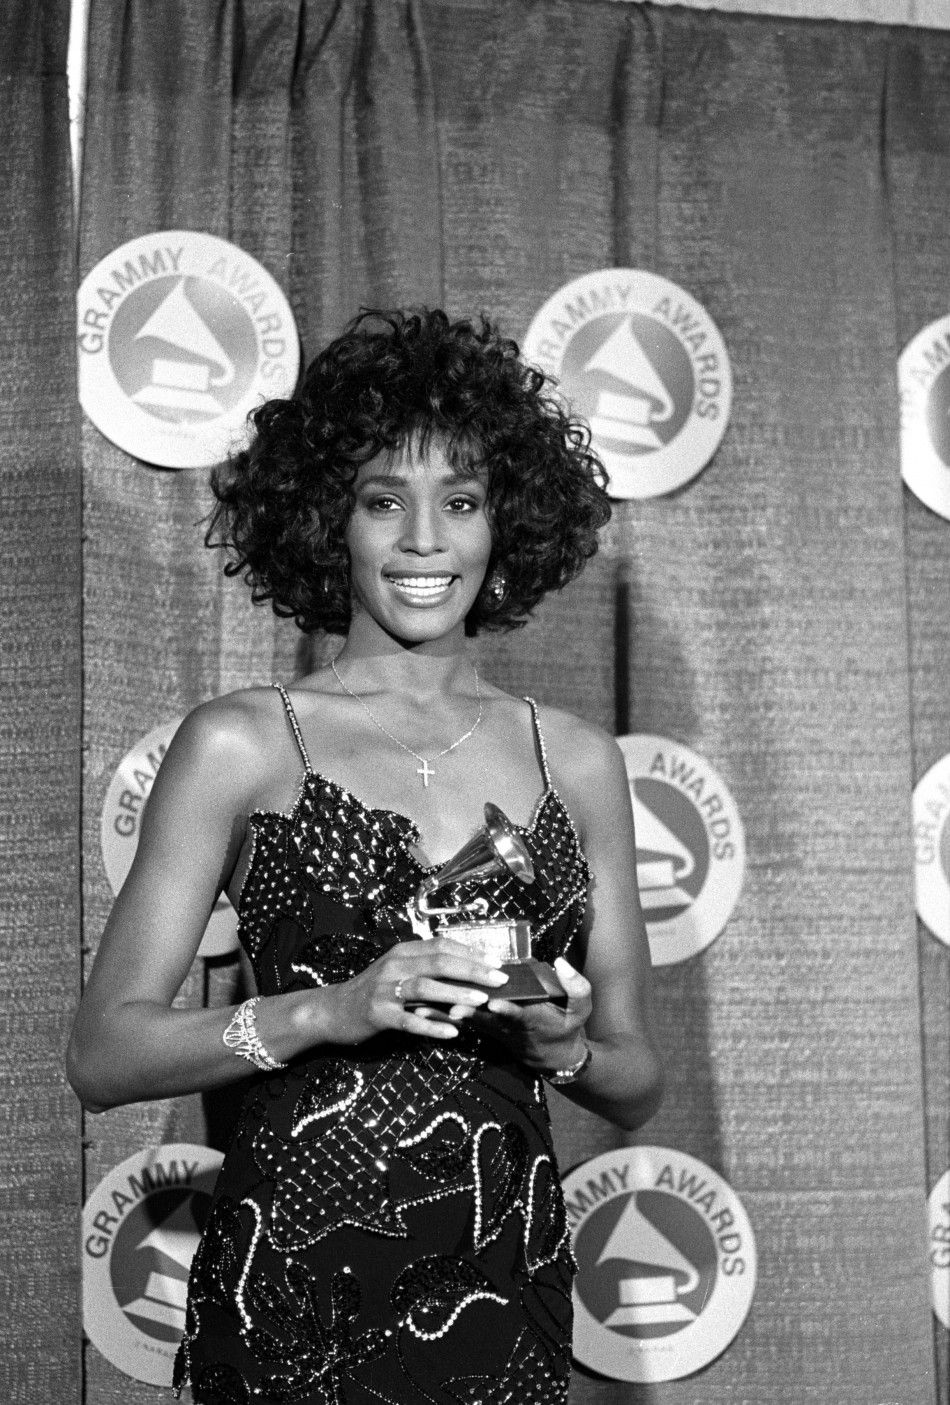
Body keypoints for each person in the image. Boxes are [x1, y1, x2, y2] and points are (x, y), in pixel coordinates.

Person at [67, 308, 663, 1405]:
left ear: (507, 524)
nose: (425, 542)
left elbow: (634, 1081)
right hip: (291, 1298)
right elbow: (104, 1054)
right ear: (326, 519)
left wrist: (564, 1042)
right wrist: (332, 1009)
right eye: (384, 500)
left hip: (504, 1291)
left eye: (463, 502)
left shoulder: (573, 760)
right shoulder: (241, 741)